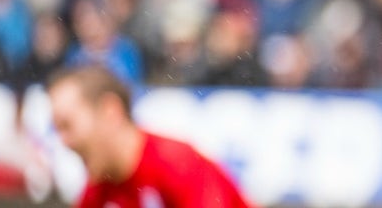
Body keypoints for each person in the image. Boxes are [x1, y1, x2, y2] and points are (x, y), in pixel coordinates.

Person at [48, 64, 253, 208]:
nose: (63, 141)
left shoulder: (178, 165)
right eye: (57, 129)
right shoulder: (99, 191)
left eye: (67, 125)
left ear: (110, 111)